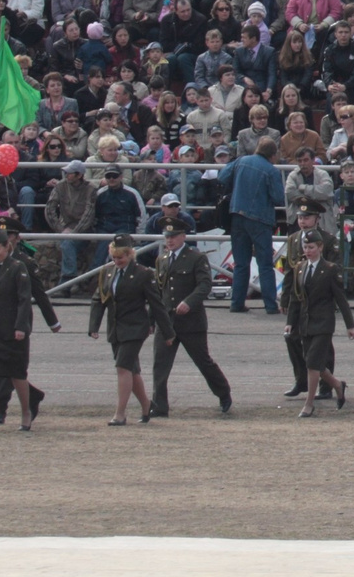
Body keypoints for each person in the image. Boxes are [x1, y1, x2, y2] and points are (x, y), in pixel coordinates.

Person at [0, 221, 57, 430]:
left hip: (13, 329)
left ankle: (26, 412)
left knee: (17, 374)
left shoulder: (18, 267)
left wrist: (20, 327)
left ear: (8, 246)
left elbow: (25, 299)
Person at [148, 217, 233, 419]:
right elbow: (158, 293)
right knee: (160, 365)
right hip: (167, 321)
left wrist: (189, 302)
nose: (170, 240)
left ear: (183, 237)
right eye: (167, 236)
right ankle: (159, 405)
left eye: (174, 236)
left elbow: (204, 285)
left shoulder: (195, 257)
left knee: (203, 362)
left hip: (191, 322)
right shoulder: (162, 260)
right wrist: (152, 320)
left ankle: (223, 393)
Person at [87, 232, 172, 426]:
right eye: (114, 257)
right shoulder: (107, 272)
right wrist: (94, 326)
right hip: (116, 329)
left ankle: (120, 414)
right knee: (132, 371)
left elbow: (156, 304)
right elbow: (98, 299)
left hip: (135, 328)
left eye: (121, 257)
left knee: (122, 367)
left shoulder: (143, 273)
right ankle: (146, 407)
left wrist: (168, 333)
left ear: (130, 255)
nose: (117, 261)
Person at [283, 225, 354, 414]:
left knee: (313, 364)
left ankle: (308, 404)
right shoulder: (300, 268)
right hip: (306, 322)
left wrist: (350, 325)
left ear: (320, 248)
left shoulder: (330, 269)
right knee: (313, 362)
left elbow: (341, 298)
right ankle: (338, 385)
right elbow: (295, 298)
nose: (308, 251)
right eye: (305, 248)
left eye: (311, 247)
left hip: (323, 322)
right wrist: (290, 322)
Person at [212, 134, 286, 312]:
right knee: (265, 264)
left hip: (237, 215)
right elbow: (278, 198)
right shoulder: (272, 170)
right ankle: (270, 305)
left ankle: (236, 303)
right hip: (260, 219)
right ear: (273, 154)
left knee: (241, 263)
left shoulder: (241, 161)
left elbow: (222, 177)